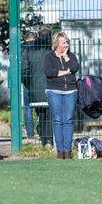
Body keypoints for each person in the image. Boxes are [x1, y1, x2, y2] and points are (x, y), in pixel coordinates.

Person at [44, 31, 79, 159]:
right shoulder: (49, 57)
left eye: (66, 42)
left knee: (68, 120)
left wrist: (66, 58)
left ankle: (67, 151)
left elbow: (75, 68)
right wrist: (65, 72)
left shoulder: (71, 56)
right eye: (64, 42)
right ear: (56, 44)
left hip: (70, 91)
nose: (66, 44)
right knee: (58, 120)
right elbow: (48, 72)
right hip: (54, 91)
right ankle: (60, 152)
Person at [22, 27, 53, 147]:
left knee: (41, 113)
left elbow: (24, 70)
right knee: (50, 113)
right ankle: (49, 140)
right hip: (51, 86)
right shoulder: (52, 50)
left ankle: (44, 138)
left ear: (38, 35)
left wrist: (29, 84)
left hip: (34, 87)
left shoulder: (29, 50)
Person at [21, 32, 37, 142]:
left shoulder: (22, 49)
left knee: (28, 107)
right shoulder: (39, 48)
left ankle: (30, 135)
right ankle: (42, 131)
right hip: (40, 81)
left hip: (27, 82)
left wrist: (24, 80)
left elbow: (22, 67)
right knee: (42, 108)